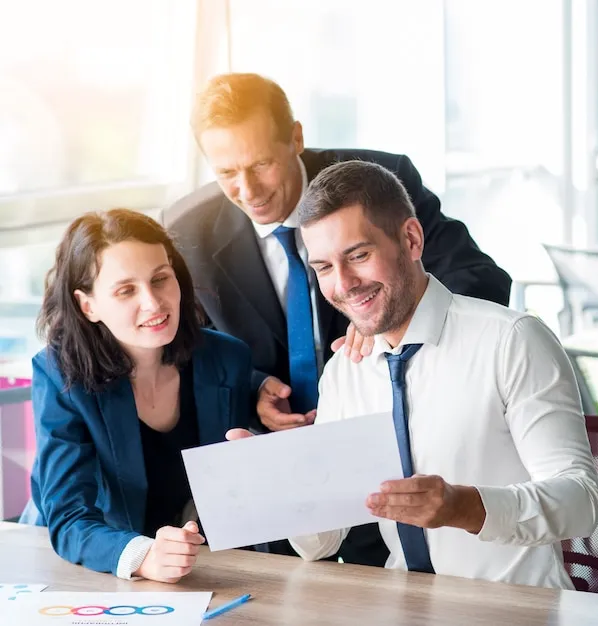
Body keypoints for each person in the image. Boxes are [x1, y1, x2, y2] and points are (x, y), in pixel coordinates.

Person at [166, 73, 512, 566]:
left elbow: (482, 279)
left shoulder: (379, 182)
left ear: (296, 138)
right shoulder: (188, 228)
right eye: (227, 173)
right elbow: (195, 345)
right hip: (282, 473)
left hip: (394, 452)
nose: (248, 190)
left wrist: (391, 313)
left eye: (262, 163)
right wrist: (255, 384)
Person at [272, 160, 598, 588]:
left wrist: (464, 507)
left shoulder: (512, 340)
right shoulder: (345, 373)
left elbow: (582, 501)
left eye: (358, 255)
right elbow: (319, 544)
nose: (344, 284)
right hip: (404, 607)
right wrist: (279, 478)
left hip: (516, 609)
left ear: (410, 239)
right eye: (324, 268)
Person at [20, 209, 252, 582]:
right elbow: (69, 517)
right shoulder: (59, 375)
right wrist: (143, 556)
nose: (154, 303)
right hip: (88, 563)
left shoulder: (230, 359)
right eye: (126, 290)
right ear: (88, 305)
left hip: (199, 565)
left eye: (160, 279)